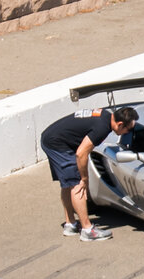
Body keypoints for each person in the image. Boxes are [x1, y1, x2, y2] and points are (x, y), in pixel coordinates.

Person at [40, 102, 137, 241]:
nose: (128, 133)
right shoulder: (102, 128)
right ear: (120, 124)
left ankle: (70, 224)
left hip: (52, 138)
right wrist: (84, 179)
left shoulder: (105, 116)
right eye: (128, 130)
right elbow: (81, 153)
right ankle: (87, 230)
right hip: (57, 144)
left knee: (67, 183)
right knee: (77, 183)